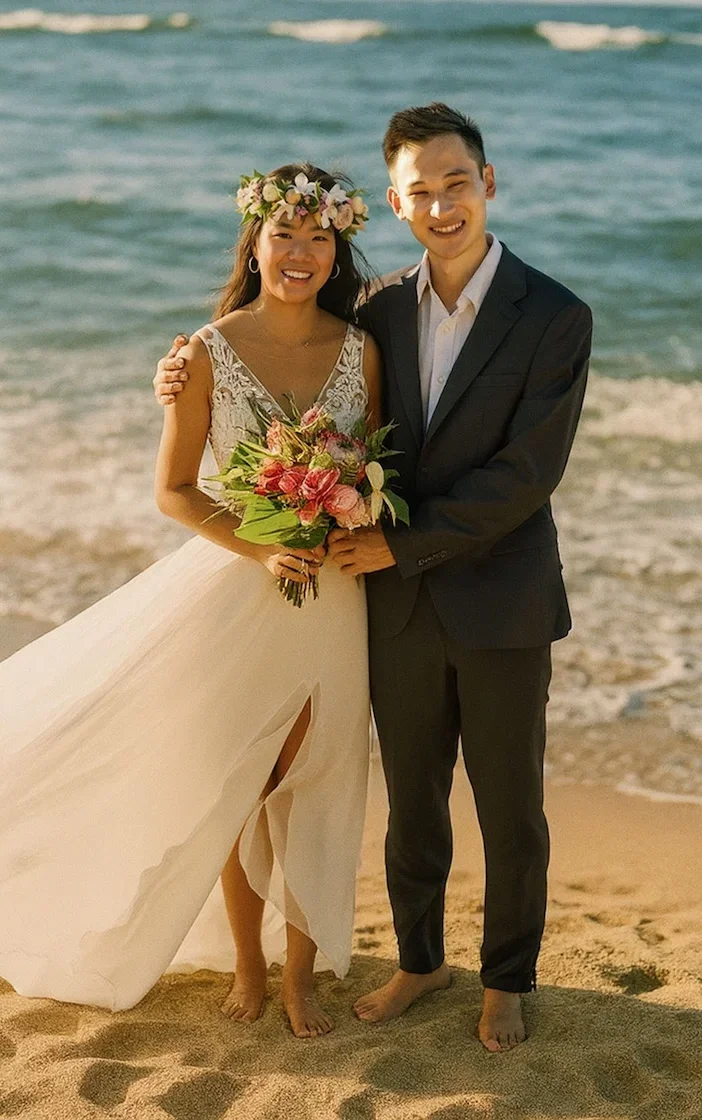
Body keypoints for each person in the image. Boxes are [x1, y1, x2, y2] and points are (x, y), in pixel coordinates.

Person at [155, 104, 593, 1053]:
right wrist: (181, 363)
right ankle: (422, 958)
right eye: (421, 191)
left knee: (510, 804)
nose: (442, 205)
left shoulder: (556, 314)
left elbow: (528, 474)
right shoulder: (380, 310)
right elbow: (283, 344)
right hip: (388, 603)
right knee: (412, 800)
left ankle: (507, 978)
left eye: (458, 183)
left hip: (500, 599)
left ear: (489, 184)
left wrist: (406, 543)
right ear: (395, 203)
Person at [0, 162, 382, 1040]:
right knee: (242, 783)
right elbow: (175, 490)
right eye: (284, 233)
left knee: (320, 782)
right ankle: (247, 962)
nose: (301, 252)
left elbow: (378, 467)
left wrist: (347, 514)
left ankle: (300, 975)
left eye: (320, 236)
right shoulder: (205, 351)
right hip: (239, 591)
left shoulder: (363, 350)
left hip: (337, 601)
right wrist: (265, 545)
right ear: (254, 242)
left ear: (338, 248)